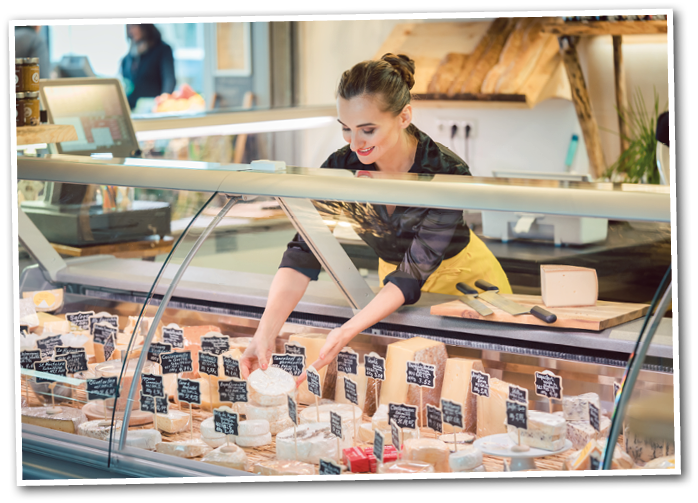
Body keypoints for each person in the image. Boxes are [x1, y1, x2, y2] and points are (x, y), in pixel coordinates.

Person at [240, 53, 512, 382]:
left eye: (367, 130)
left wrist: (347, 331)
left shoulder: (446, 170)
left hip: (467, 288)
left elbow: (412, 273)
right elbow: (304, 250)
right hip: (391, 292)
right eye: (346, 129)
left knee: (469, 387)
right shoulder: (342, 168)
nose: (355, 144)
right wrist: (265, 332)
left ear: (404, 116)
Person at [120, 24, 176, 109]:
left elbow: (169, 79)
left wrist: (164, 100)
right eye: (128, 28)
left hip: (152, 109)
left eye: (133, 26)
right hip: (132, 109)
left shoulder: (162, 50)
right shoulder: (128, 58)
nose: (131, 31)